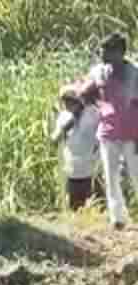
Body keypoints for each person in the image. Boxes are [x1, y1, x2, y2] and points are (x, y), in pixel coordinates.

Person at [82, 33, 138, 229]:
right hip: (108, 133)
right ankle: (118, 218)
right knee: (110, 176)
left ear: (121, 52)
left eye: (109, 50)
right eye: (102, 50)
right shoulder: (99, 73)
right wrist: (100, 106)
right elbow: (84, 93)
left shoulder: (135, 73)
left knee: (136, 175)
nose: (103, 53)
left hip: (133, 134)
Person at [51, 85, 102, 211]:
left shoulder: (93, 113)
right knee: (75, 208)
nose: (68, 104)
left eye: (71, 100)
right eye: (65, 101)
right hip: (72, 171)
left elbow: (103, 136)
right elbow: (54, 139)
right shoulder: (64, 116)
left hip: (92, 171)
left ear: (79, 100)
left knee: (96, 208)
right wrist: (67, 125)